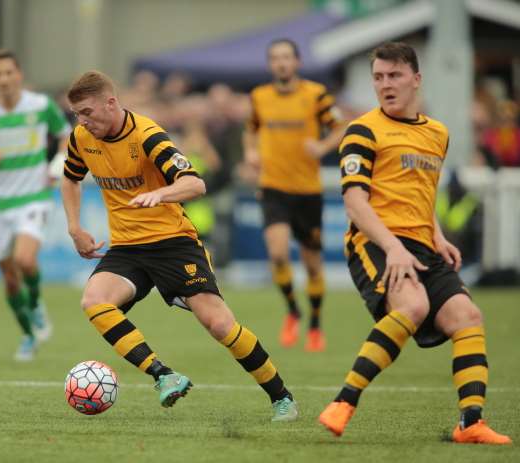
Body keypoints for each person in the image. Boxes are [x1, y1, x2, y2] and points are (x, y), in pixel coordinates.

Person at [60, 70, 298, 421]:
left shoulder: (147, 135)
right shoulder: (81, 138)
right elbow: (70, 178)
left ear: (111, 103)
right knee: (94, 301)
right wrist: (74, 227)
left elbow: (195, 184)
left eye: (87, 112)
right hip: (128, 247)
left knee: (219, 326)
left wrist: (161, 193)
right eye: (77, 114)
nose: (82, 121)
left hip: (173, 243)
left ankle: (282, 397)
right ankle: (163, 375)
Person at [318, 42, 511, 445]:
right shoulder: (362, 131)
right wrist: (392, 247)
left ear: (416, 79)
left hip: (421, 243)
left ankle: (471, 423)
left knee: (468, 316)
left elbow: (422, 193)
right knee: (413, 305)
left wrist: (437, 236)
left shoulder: (437, 133)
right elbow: (355, 202)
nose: (385, 84)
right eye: (378, 77)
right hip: (375, 243)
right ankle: (343, 401)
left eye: (394, 76)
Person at [0, 49, 70, 361]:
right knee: (10, 279)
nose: (4, 79)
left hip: (33, 197)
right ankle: (27, 335)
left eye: (9, 72)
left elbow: (66, 136)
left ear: (19, 74)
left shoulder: (40, 106)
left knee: (25, 260)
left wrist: (57, 166)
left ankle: (35, 302)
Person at [243, 38, 346, 351]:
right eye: (275, 58)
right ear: (270, 64)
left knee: (312, 265)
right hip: (273, 186)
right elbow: (250, 128)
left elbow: (341, 127)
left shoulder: (315, 94)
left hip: (307, 191)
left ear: (297, 62)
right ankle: (292, 312)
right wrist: (250, 152)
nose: (281, 63)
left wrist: (323, 147)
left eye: (287, 57)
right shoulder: (259, 96)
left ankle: (315, 323)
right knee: (276, 254)